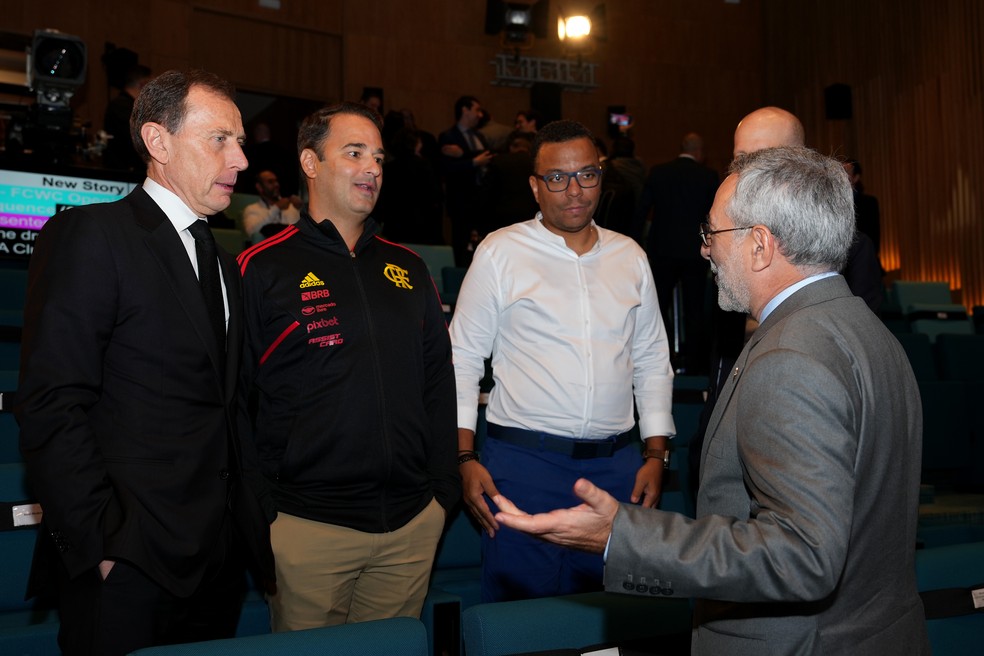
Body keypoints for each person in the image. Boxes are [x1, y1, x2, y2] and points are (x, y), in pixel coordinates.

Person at [495, 146, 929, 655]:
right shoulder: (870, 333)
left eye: (714, 234)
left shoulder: (792, 357)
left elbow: (803, 556)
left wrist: (623, 538)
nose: (704, 250)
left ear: (761, 245)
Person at [15, 69, 274, 656]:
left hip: (217, 561)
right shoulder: (91, 234)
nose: (239, 159)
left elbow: (230, 409)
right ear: (158, 143)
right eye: (219, 140)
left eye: (239, 141)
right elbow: (52, 401)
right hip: (129, 561)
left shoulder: (225, 261)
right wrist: (102, 546)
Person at [236, 102, 459, 631]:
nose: (373, 169)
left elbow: (437, 381)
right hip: (307, 525)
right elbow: (234, 400)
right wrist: (261, 509)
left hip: (410, 525)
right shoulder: (262, 267)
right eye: (355, 153)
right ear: (310, 163)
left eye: (379, 158)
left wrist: (440, 494)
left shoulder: (407, 267)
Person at [449, 120, 676, 603]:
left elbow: (652, 357)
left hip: (617, 468)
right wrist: (463, 455)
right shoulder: (500, 252)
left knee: (609, 617)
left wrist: (656, 454)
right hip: (523, 465)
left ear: (601, 176)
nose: (573, 191)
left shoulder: (630, 256)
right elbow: (462, 357)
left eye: (586, 175)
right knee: (522, 624)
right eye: (556, 178)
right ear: (535, 185)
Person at [633, 132, 720, 374]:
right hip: (695, 252)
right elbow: (715, 217)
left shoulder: (658, 172)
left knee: (659, 306)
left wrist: (635, 244)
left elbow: (641, 211)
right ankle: (694, 363)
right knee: (694, 309)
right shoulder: (708, 176)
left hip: (663, 250)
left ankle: (665, 357)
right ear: (700, 153)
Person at [439, 95, 495, 265]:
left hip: (483, 201)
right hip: (461, 201)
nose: (480, 114)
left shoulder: (480, 137)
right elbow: (446, 169)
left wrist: (463, 155)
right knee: (461, 245)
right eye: (476, 110)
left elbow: (488, 158)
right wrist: (473, 162)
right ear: (465, 110)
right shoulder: (448, 136)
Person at [102, 63, 151, 171]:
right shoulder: (124, 107)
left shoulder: (122, 105)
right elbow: (137, 141)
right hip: (123, 173)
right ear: (143, 85)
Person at [241, 169, 302, 243]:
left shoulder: (292, 206)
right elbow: (251, 232)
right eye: (270, 182)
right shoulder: (252, 209)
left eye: (276, 181)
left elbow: (299, 233)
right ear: (259, 187)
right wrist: (276, 208)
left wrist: (301, 209)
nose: (276, 185)